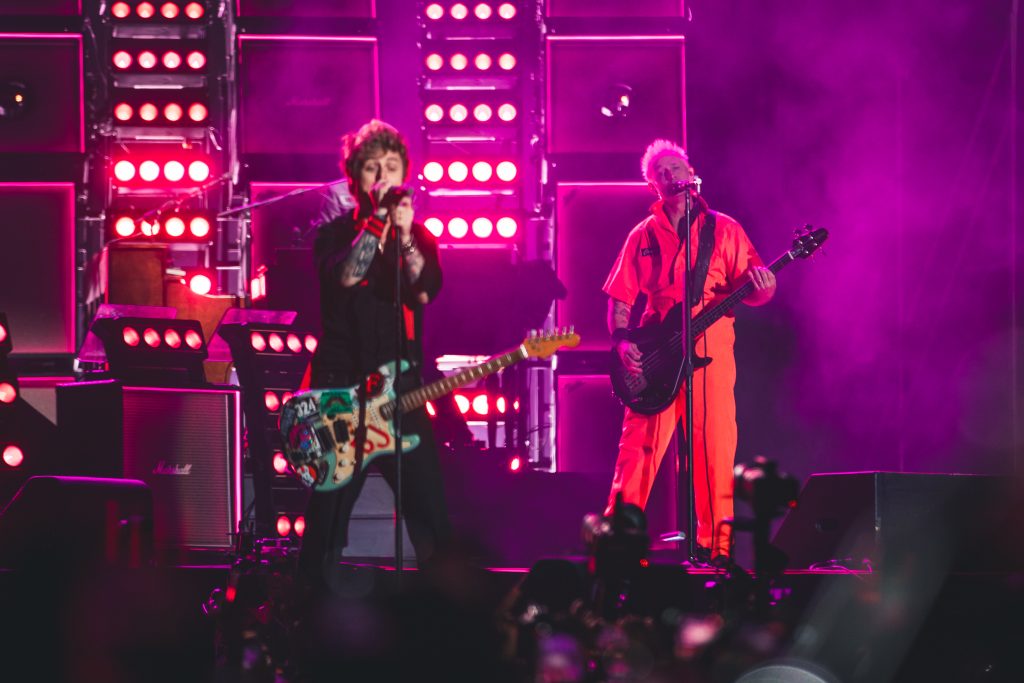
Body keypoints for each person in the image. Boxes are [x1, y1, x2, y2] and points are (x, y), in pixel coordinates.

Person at [603, 139, 776, 561]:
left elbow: (750, 289)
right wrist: (623, 339)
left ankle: (714, 550)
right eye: (660, 172)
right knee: (638, 451)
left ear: (691, 173)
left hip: (711, 345)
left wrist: (764, 291)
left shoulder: (726, 229)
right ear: (652, 185)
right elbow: (620, 300)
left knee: (714, 447)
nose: (669, 175)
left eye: (675, 167)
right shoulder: (641, 236)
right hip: (657, 349)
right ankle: (619, 544)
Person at [298, 119, 451, 586]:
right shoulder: (332, 235)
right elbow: (345, 277)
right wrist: (377, 225)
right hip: (342, 392)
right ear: (354, 178)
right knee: (329, 513)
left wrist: (403, 236)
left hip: (401, 391)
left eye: (391, 166)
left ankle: (448, 615)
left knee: (430, 511)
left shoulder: (418, 237)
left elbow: (424, 291)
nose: (382, 176)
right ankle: (309, 609)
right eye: (371, 168)